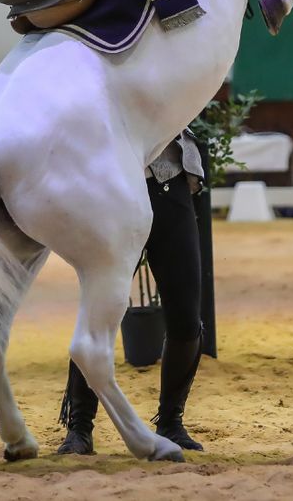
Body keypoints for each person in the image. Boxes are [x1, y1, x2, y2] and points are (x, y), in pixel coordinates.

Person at [56, 129, 208, 455]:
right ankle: (79, 428)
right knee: (98, 314)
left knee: (185, 314)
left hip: (170, 179)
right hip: (112, 188)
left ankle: (171, 422)